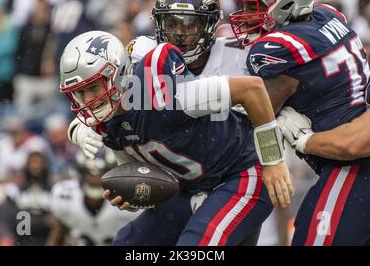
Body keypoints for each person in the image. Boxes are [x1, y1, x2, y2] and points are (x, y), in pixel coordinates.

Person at [60, 29, 293, 246]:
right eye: (80, 92)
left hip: (241, 171)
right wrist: (135, 196)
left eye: (94, 87)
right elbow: (139, 171)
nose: (88, 100)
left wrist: (273, 159)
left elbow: (251, 89)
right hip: (190, 187)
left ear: (118, 73)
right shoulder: (107, 125)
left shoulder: (162, 93)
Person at [229, 0, 370, 245]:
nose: (244, 13)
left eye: (253, 6)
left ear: (286, 1)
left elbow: (256, 110)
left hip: (352, 168)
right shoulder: (328, 15)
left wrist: (303, 139)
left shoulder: (278, 48)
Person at [47, 150, 137, 246]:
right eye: (89, 173)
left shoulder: (127, 196)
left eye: (100, 174)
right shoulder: (65, 195)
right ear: (81, 174)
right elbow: (58, 234)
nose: (95, 179)